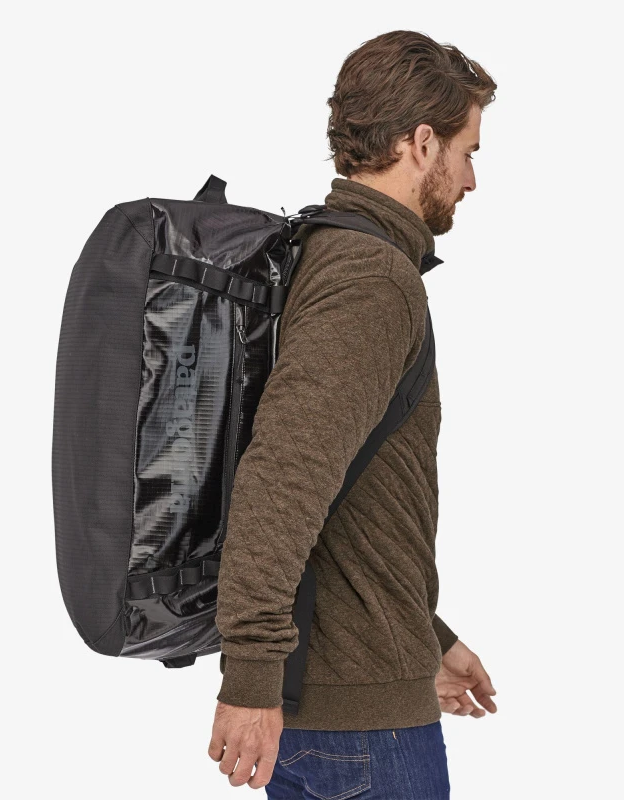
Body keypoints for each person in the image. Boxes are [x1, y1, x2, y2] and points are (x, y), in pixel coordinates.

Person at [209, 30, 498, 798]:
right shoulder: (371, 276)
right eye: (468, 152)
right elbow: (287, 473)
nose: (472, 179)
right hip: (362, 739)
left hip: (354, 712)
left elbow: (352, 491)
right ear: (422, 143)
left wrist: (425, 639)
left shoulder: (334, 252)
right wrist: (251, 676)